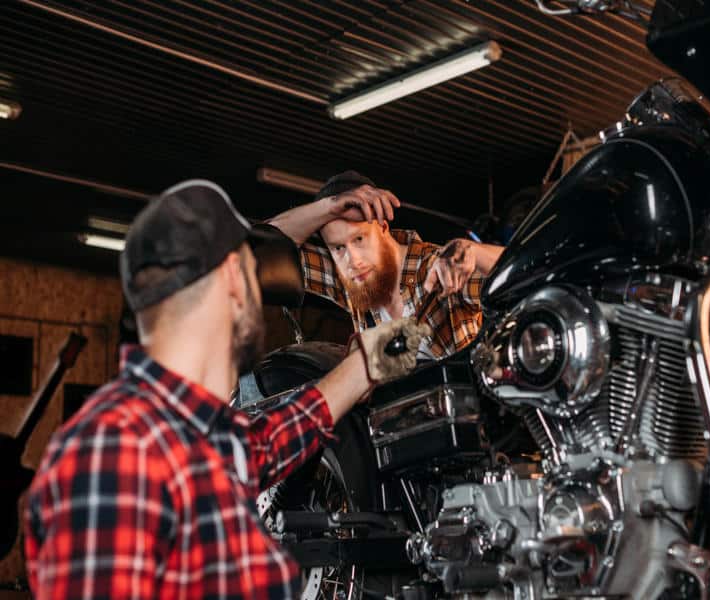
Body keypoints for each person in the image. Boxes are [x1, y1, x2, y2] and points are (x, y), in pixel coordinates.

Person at [24, 180, 428, 598]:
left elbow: (281, 433)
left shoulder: (190, 437)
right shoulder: (117, 453)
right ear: (233, 281)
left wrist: (385, 352)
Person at [268, 171, 504, 359]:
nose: (354, 260)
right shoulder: (350, 280)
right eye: (338, 248)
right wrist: (327, 207)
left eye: (359, 239)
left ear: (382, 227)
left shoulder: (438, 269)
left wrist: (473, 251)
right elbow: (262, 247)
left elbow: (525, 271)